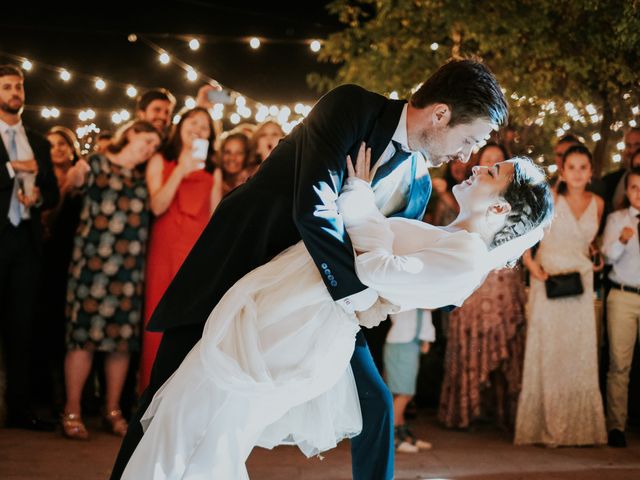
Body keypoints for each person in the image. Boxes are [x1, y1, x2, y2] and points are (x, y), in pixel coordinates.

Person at [111, 58, 509, 480]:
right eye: (470, 138)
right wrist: (355, 294)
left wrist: (376, 299)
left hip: (317, 303)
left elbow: (385, 251)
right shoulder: (351, 107)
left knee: (374, 404)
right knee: (165, 393)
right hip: (244, 262)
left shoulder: (420, 184)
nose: (467, 155)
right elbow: (313, 209)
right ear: (440, 113)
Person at [121, 150, 553, 478]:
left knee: (203, 422)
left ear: (499, 209)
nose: (479, 166)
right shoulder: (455, 240)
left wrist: (360, 197)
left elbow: (373, 270)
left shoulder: (467, 259)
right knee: (197, 420)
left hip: (302, 324)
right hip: (294, 308)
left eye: (494, 173)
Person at [61, 120, 161, 440]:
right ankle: (72, 410)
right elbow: (69, 190)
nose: (149, 148)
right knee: (82, 339)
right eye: (146, 140)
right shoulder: (97, 163)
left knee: (121, 343)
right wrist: (71, 179)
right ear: (130, 133)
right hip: (92, 265)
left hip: (129, 270)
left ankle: (112, 410)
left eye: (154, 145)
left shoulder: (142, 178)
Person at [516, 144, 607, 446]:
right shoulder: (551, 198)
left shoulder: (599, 203)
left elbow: (590, 242)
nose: (578, 173)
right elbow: (526, 237)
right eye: (572, 167)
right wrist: (531, 265)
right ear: (563, 171)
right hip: (550, 281)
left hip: (580, 283)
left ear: (591, 171)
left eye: (584, 167)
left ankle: (580, 431)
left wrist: (596, 253)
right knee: (551, 353)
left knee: (578, 354)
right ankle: (548, 428)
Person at [438, 142, 527, 431]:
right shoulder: (469, 193)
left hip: (502, 284)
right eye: (486, 161)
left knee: (507, 343)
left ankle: (504, 411)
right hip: (476, 285)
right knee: (471, 342)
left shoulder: (511, 205)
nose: (487, 167)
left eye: (497, 164)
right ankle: (465, 410)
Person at [139, 107, 222, 393]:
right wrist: (181, 171)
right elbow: (157, 206)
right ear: (181, 124)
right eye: (193, 122)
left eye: (205, 126)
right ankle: (148, 393)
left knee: (188, 326)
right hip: (163, 251)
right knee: (157, 321)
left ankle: (180, 397)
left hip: (195, 255)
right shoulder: (161, 160)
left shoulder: (214, 170)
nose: (198, 128)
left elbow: (215, 221)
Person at [0, 64, 59, 431]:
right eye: (7, 86)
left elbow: (52, 189)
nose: (15, 92)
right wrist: (11, 167)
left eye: (18, 86)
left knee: (21, 330)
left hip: (27, 244)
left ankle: (19, 410)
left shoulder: (37, 139)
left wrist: (38, 197)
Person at [602, 166, 640, 448]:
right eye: (634, 188)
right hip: (623, 296)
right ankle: (616, 425)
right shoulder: (617, 219)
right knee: (619, 365)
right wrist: (622, 240)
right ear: (626, 191)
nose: (639, 194)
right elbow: (608, 257)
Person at [384, 309, 435, 453]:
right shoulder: (409, 288)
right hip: (402, 344)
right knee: (403, 393)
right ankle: (391, 438)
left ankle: (402, 434)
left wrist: (425, 339)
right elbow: (430, 304)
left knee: (404, 393)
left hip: (410, 342)